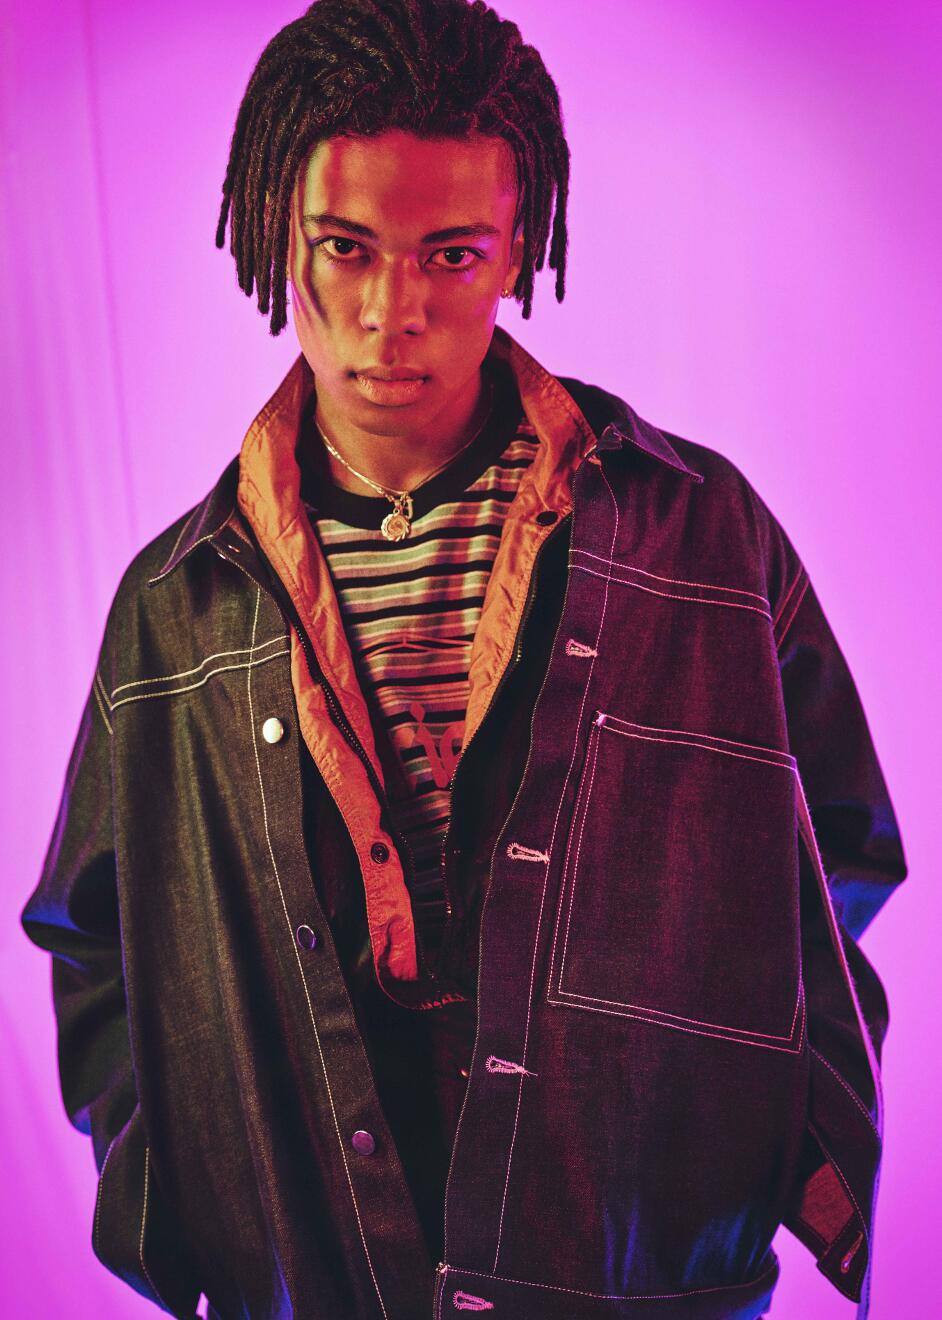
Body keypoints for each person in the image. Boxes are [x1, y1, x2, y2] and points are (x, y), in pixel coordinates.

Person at [21, 1, 907, 1317]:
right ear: (273, 232)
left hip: (627, 1267)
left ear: (518, 248)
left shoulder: (700, 532)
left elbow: (831, 862)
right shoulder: (176, 604)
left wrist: (745, 1136)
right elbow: (93, 936)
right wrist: (182, 1198)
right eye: (345, 247)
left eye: (450, 253)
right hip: (319, 1268)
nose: (393, 313)